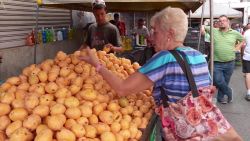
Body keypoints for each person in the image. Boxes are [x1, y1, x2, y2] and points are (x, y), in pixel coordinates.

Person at [80, 6, 211, 117]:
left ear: (170, 34)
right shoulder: (199, 56)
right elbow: (208, 90)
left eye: (155, 32)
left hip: (179, 133)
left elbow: (122, 89)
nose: (151, 37)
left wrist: (97, 64)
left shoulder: (164, 59)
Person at [201, 15, 244, 104]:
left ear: (228, 22)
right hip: (216, 62)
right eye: (220, 21)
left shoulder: (235, 33)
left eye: (224, 20)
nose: (222, 22)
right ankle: (229, 92)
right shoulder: (214, 30)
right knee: (218, 80)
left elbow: (243, 40)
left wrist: (237, 47)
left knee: (225, 81)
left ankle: (220, 98)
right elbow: (202, 26)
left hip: (230, 62)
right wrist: (203, 29)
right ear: (218, 23)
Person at [242, 25, 250, 101]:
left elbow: (243, 45)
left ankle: (249, 93)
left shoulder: (247, 32)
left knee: (248, 74)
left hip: (247, 55)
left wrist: (242, 54)